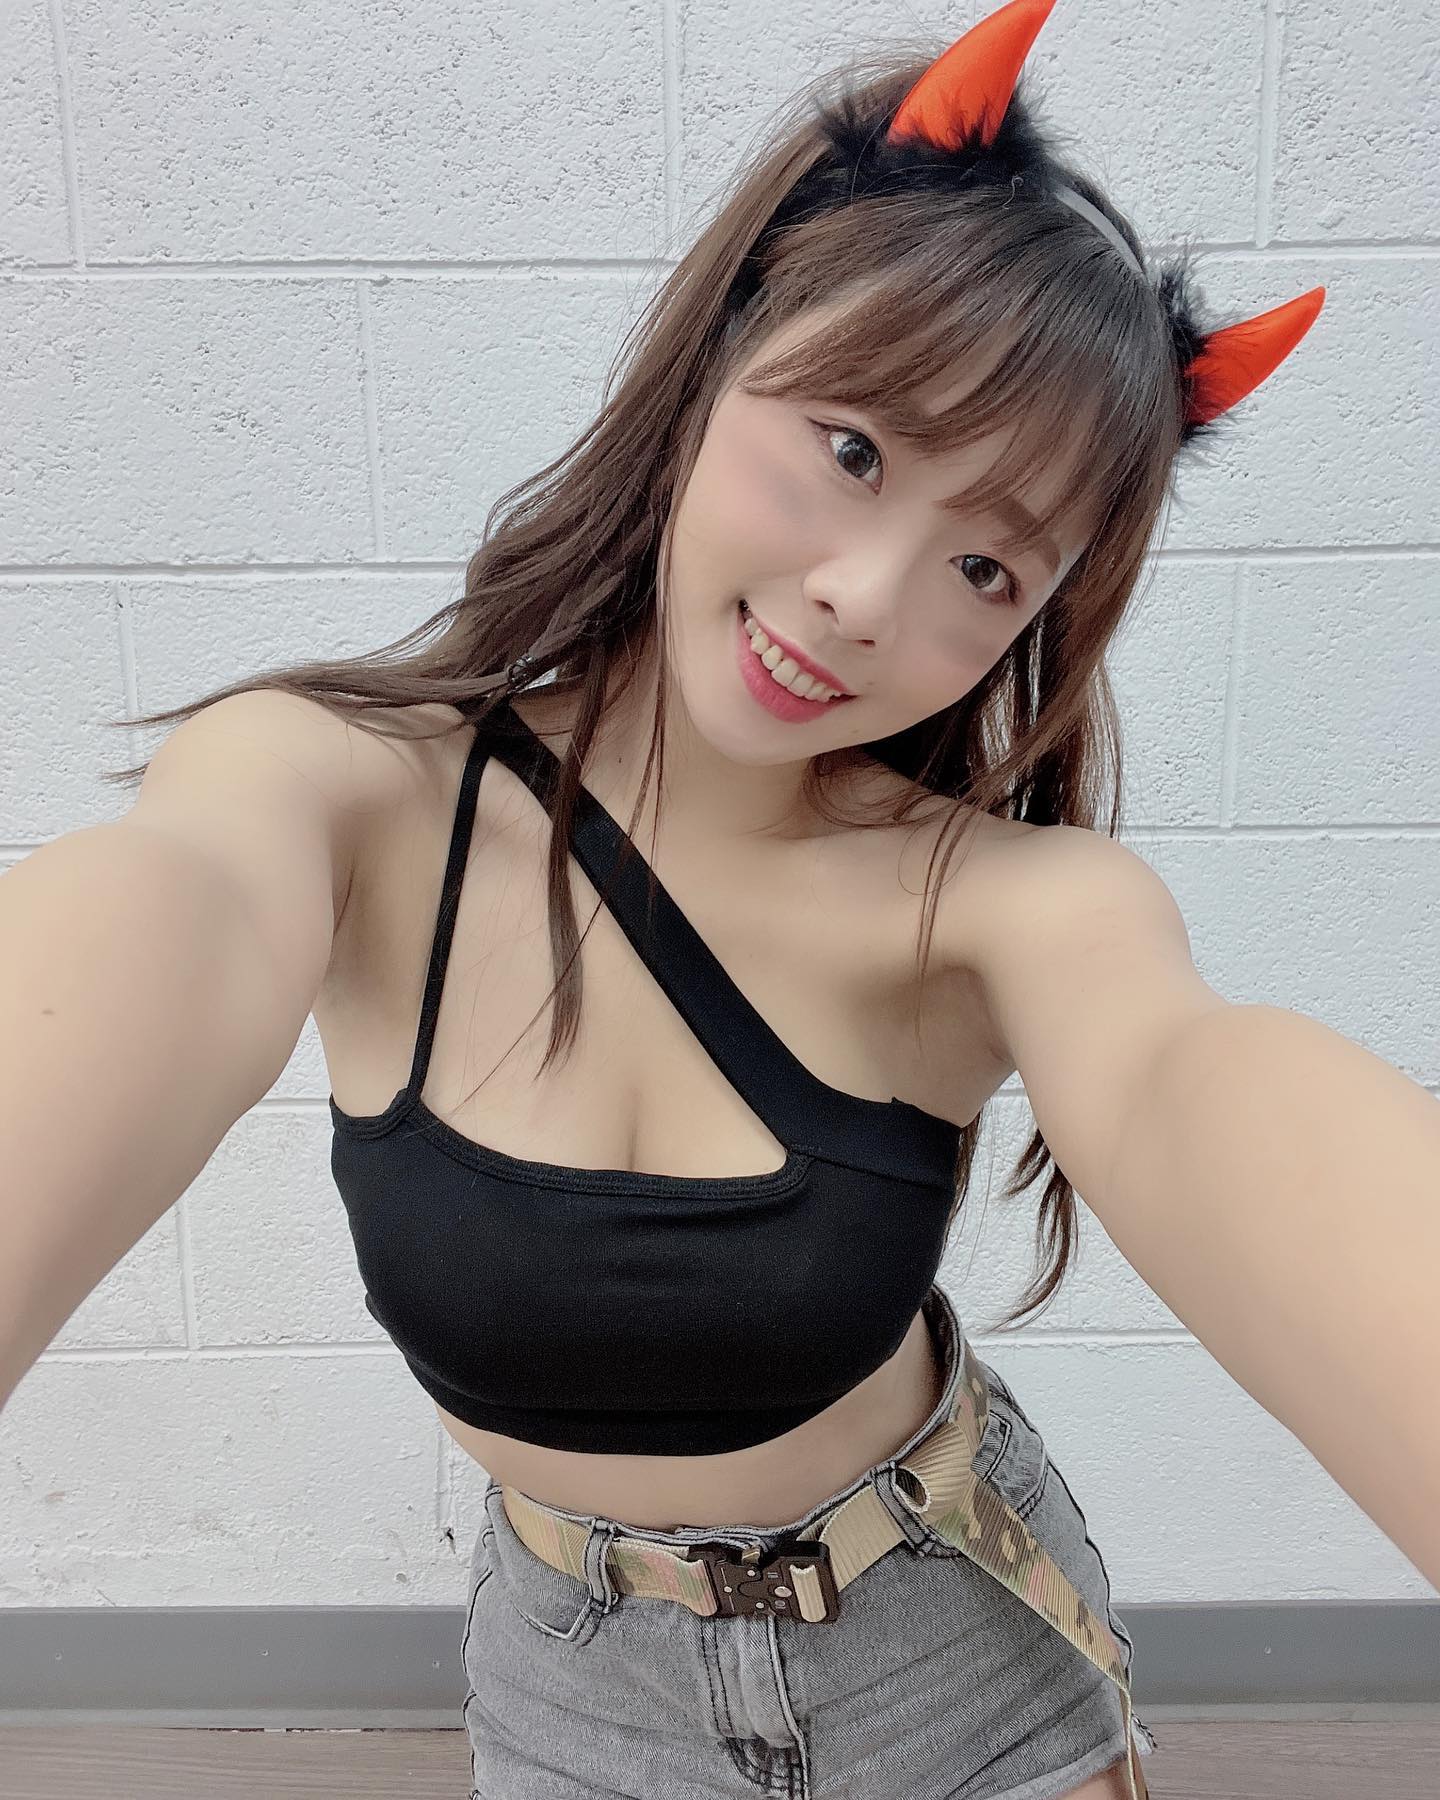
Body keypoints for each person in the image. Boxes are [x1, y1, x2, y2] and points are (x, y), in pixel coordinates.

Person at [3, 2, 1436, 1797]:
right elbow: (160, 920)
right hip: (572, 1692)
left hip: (955, 1655)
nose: (866, 597)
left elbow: (1191, 1084)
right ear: (721, 354)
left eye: (986, 566)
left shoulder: (1003, 909)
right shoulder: (339, 792)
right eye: (853, 449)